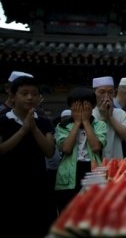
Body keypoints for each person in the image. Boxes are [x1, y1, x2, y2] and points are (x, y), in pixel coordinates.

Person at [0, 76, 56, 237]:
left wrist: (33, 129)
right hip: (9, 185)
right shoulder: (3, 121)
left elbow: (50, 151)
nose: (30, 97)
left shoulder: (44, 122)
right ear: (13, 96)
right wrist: (23, 130)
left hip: (38, 185)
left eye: (34, 93)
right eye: (24, 93)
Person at [55, 87, 107, 213]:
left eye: (86, 105)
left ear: (92, 106)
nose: (82, 109)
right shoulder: (62, 126)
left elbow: (96, 147)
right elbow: (66, 148)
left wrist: (86, 121)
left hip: (92, 171)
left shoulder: (100, 125)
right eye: (78, 105)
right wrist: (77, 122)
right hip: (68, 175)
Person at [92, 76, 126, 160]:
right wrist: (102, 117)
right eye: (102, 92)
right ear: (94, 93)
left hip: (116, 162)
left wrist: (110, 117)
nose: (106, 96)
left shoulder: (121, 113)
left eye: (110, 92)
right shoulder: (90, 114)